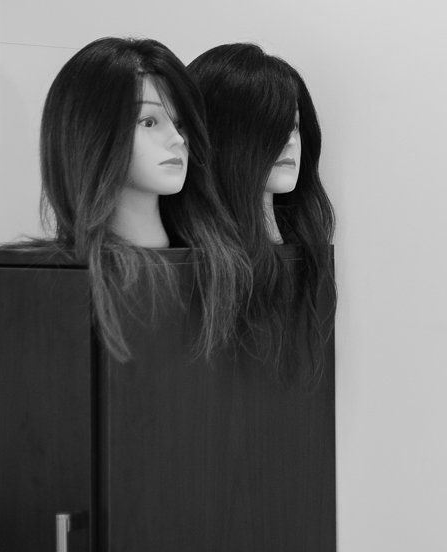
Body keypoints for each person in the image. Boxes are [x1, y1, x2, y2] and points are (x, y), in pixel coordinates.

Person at [39, 36, 252, 361]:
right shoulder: (62, 284)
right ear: (91, 133)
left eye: (179, 123)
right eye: (149, 122)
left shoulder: (217, 266)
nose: (177, 139)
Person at [188, 43, 336, 376]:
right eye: (270, 128)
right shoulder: (194, 273)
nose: (290, 142)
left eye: (293, 126)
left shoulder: (306, 260)